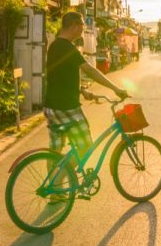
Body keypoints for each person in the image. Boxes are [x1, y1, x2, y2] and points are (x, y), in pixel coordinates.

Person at [44, 12, 128, 159]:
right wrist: (116, 89)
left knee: (55, 152)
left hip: (51, 106)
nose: (83, 29)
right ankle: (66, 174)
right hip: (66, 107)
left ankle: (55, 180)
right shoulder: (67, 47)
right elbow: (90, 70)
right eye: (82, 25)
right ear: (74, 26)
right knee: (86, 147)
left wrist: (81, 90)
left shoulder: (54, 46)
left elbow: (58, 76)